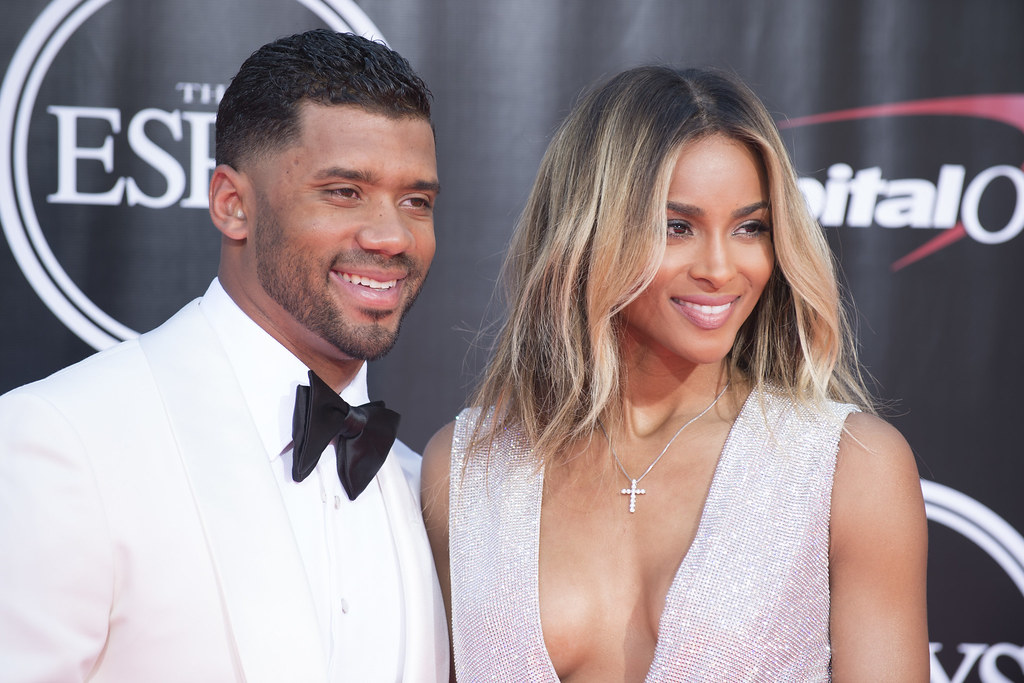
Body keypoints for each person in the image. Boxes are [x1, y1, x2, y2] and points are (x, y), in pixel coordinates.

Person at [422, 66, 928, 681]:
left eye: (750, 227)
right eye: (676, 227)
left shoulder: (848, 466)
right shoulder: (468, 467)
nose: (720, 267)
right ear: (589, 231)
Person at [0, 29, 447, 682]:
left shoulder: (421, 487)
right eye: (344, 191)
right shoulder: (61, 441)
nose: (391, 235)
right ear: (232, 205)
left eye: (417, 201)